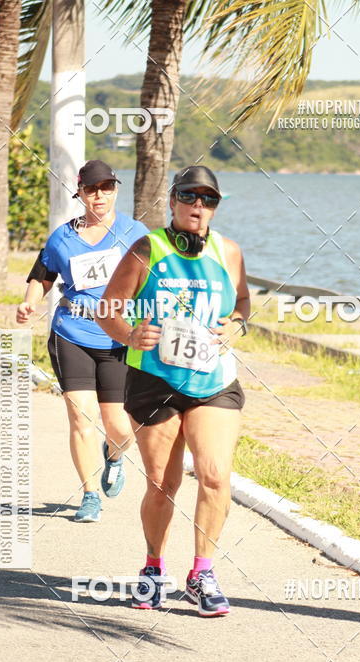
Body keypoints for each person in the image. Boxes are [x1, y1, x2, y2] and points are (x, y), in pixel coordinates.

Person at [96, 165, 250, 616]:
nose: (198, 206)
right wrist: (128, 335)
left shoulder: (230, 252)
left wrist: (238, 323)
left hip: (213, 381)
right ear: (173, 201)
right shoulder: (147, 248)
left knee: (216, 474)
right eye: (189, 196)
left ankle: (202, 574)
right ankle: (153, 568)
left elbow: (242, 300)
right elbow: (109, 308)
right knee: (163, 484)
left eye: (208, 199)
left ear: (216, 207)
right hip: (155, 381)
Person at [17, 160, 148, 522]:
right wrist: (29, 304)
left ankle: (115, 454)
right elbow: (42, 274)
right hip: (71, 333)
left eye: (107, 187)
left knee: (122, 428)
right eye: (91, 188)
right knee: (80, 416)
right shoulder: (63, 236)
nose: (100, 195)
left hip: (118, 338)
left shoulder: (134, 232)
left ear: (116, 190)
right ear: (80, 193)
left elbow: (155, 276)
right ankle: (89, 495)